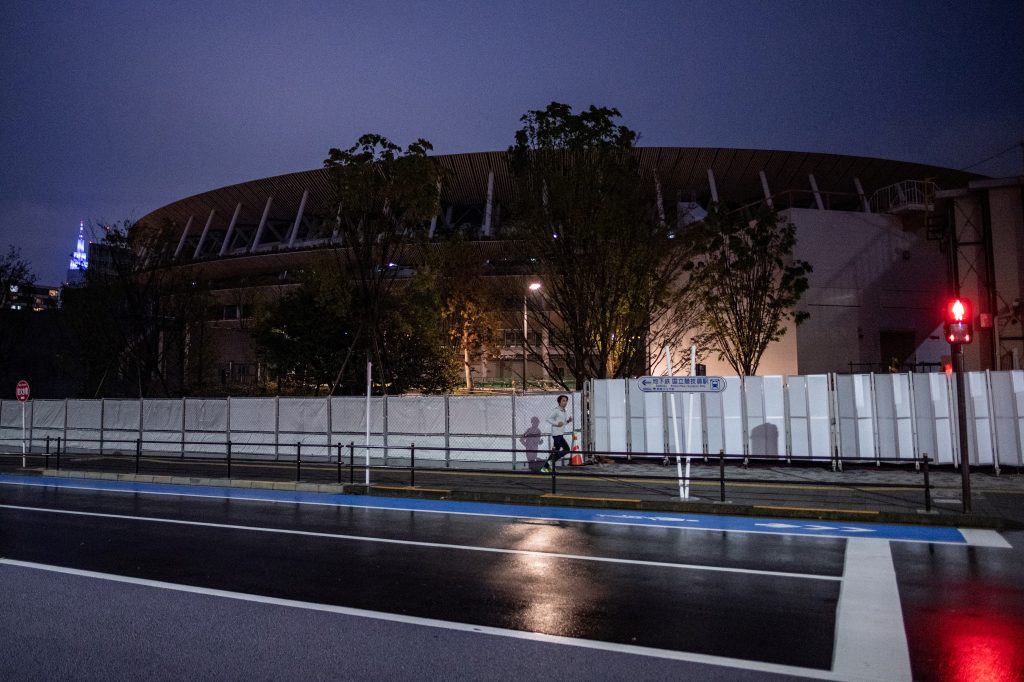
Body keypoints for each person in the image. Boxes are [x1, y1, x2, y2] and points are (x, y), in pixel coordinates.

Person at [541, 394, 573, 473]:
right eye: (563, 401)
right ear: (559, 402)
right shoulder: (556, 410)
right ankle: (551, 462)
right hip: (556, 434)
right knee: (567, 449)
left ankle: (545, 468)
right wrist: (556, 423)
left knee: (555, 451)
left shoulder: (564, 411)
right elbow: (548, 418)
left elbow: (562, 423)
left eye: (566, 401)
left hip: (560, 433)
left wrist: (568, 421)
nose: (565, 402)